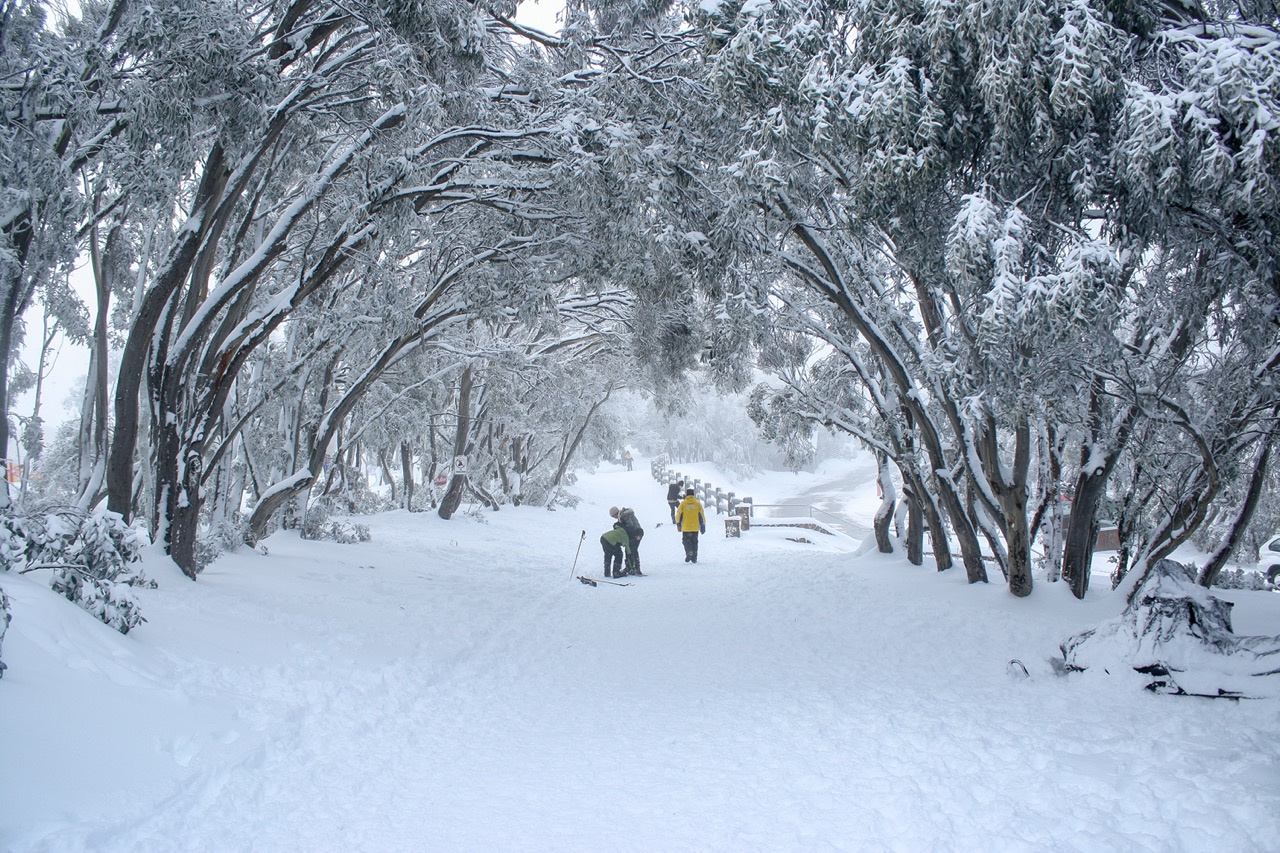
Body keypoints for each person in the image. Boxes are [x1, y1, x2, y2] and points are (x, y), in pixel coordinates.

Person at [610, 506, 645, 576]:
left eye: (614, 516)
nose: (615, 518)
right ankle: (629, 567)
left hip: (636, 533)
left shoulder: (624, 516)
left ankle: (637, 569)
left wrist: (621, 526)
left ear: (616, 513)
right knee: (628, 550)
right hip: (636, 533)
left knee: (633, 550)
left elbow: (630, 526)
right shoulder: (624, 514)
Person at [676, 487, 706, 564]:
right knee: (695, 542)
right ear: (693, 494)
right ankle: (694, 558)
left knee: (685, 541)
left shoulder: (683, 503)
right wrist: (702, 525)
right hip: (695, 527)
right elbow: (701, 515)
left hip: (686, 527)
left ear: (686, 495)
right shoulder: (697, 503)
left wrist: (678, 524)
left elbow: (678, 515)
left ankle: (689, 551)